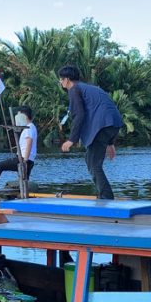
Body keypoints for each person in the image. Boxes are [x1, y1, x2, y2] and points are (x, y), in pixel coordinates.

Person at [58, 65, 124, 200]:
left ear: (67, 80)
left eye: (61, 79)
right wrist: (110, 143)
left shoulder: (74, 89)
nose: (60, 82)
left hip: (103, 125)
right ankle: (105, 195)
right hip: (113, 124)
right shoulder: (89, 88)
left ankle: (106, 198)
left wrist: (72, 139)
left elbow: (79, 115)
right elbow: (105, 109)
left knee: (93, 163)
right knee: (92, 160)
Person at [0, 106, 37, 189]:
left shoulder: (29, 128)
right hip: (27, 160)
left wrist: (24, 161)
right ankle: (23, 196)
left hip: (24, 159)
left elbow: (29, 144)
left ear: (24, 116)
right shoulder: (30, 127)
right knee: (24, 181)